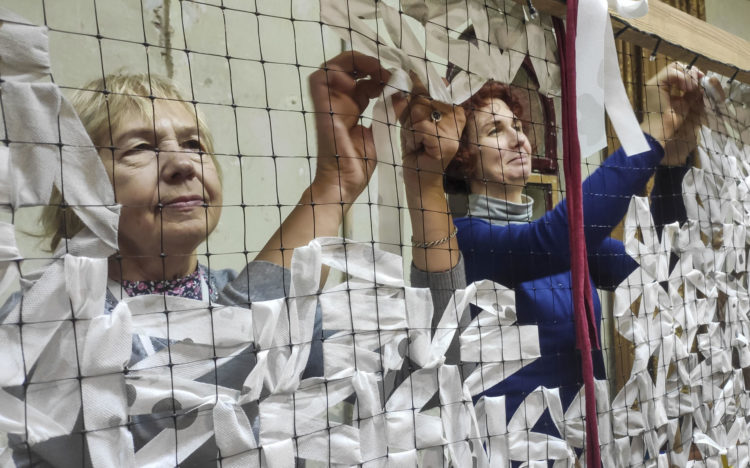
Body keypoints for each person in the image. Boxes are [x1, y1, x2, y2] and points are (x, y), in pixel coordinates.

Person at [4, 51, 467, 467]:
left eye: (194, 144)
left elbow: (433, 379)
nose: (182, 164)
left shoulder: (279, 308)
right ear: (78, 190)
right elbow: (183, 414)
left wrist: (425, 187)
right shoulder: (39, 319)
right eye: (140, 148)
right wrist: (332, 189)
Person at [436, 63, 709, 439]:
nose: (518, 139)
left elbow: (661, 272)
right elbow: (551, 242)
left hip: (585, 450)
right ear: (463, 158)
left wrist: (673, 164)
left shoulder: (567, 244)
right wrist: (649, 133)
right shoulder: (464, 238)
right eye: (494, 130)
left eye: (517, 126)